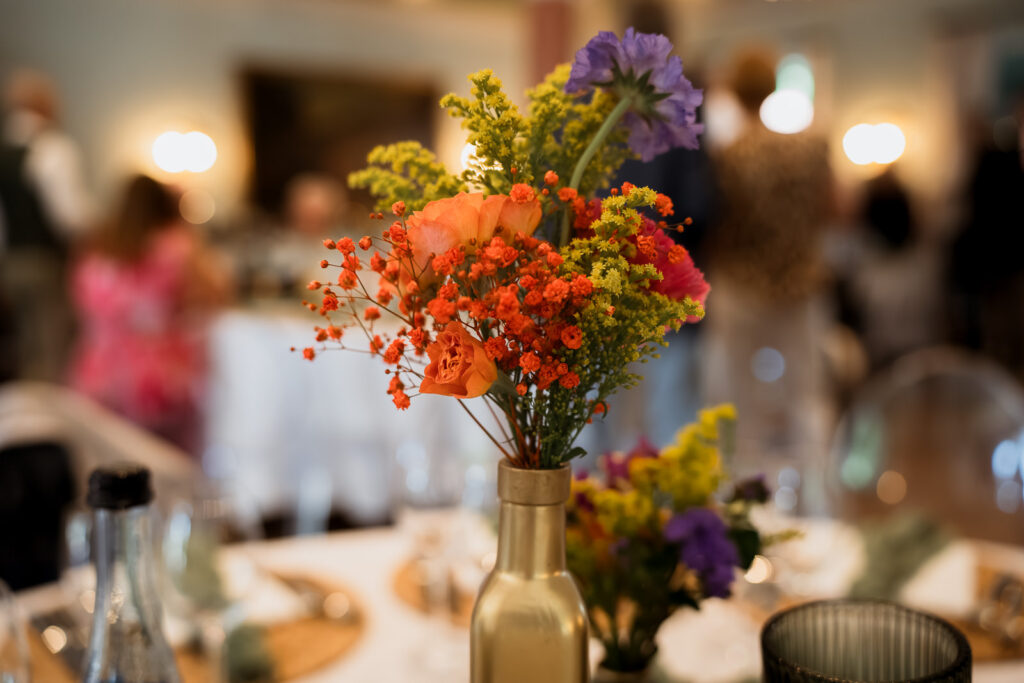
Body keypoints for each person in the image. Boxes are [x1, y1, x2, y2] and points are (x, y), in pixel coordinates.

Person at [702, 48, 835, 514]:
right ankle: (819, 501)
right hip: (800, 285)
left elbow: (716, 223)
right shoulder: (810, 147)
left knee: (736, 400)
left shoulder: (728, 157)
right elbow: (832, 210)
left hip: (740, 288)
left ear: (735, 95)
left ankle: (740, 503)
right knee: (807, 397)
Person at [68, 175, 230, 455]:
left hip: (100, 371)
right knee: (168, 463)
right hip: (160, 377)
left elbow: (80, 304)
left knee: (109, 456)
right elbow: (217, 295)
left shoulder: (97, 249)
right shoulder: (176, 246)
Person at [0, 69, 95, 380]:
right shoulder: (53, 148)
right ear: (45, 104)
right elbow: (69, 215)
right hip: (46, 260)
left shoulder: (4, 150)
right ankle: (53, 422)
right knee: (54, 347)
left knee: (24, 348)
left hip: (11, 262)